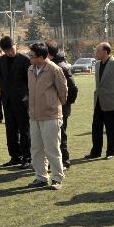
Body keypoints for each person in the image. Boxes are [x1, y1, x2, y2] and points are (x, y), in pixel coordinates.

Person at [27, 42, 69, 189]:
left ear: (41, 57)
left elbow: (63, 92)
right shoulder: (31, 69)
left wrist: (54, 106)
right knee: (36, 149)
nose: (29, 57)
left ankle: (57, 178)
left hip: (51, 115)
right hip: (34, 116)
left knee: (52, 149)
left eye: (32, 55)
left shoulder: (54, 69)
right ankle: (41, 177)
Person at [0, 36, 32, 168]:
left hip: (22, 101)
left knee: (25, 130)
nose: (10, 52)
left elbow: (30, 82)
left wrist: (27, 97)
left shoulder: (25, 60)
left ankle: (27, 157)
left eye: (11, 49)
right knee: (10, 130)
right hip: (7, 101)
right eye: (7, 50)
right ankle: (15, 156)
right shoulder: (1, 61)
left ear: (15, 45)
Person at [86, 42, 114, 160]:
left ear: (106, 51)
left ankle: (110, 152)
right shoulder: (98, 64)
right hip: (98, 100)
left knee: (111, 128)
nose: (96, 53)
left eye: (98, 51)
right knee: (96, 127)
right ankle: (96, 152)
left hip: (111, 101)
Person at [45, 40, 78, 169]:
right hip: (53, 107)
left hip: (61, 107)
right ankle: (52, 162)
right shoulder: (51, 65)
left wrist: (65, 103)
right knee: (52, 135)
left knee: (60, 134)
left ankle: (64, 160)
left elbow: (73, 88)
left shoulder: (60, 67)